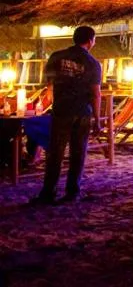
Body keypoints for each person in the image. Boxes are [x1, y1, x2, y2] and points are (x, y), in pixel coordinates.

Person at [33, 26, 102, 204]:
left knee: (55, 153)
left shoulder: (56, 56)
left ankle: (48, 192)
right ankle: (72, 192)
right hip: (82, 112)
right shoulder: (93, 63)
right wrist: (97, 118)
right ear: (90, 41)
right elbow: (96, 93)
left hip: (61, 110)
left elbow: (49, 85)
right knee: (78, 153)